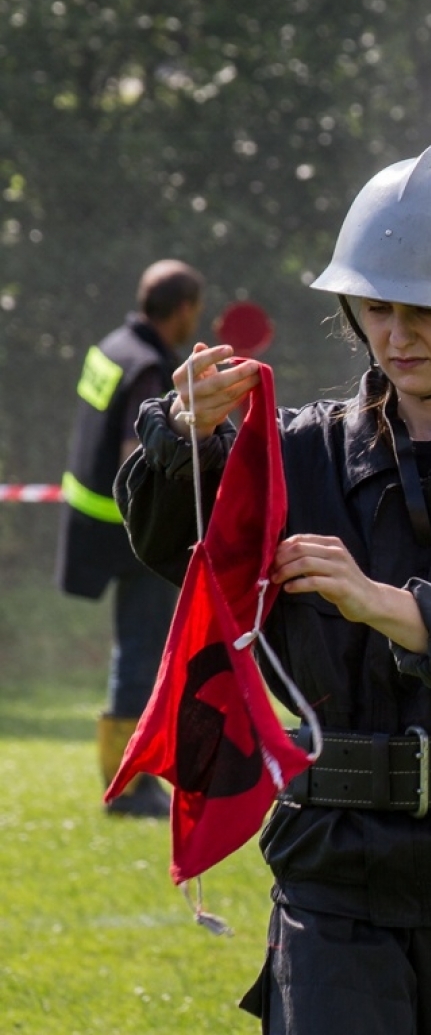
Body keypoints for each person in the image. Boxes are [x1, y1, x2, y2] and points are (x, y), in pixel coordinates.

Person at [114, 141, 431, 1034]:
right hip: (332, 876)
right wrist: (180, 438)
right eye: (378, 307)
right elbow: (179, 547)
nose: (396, 335)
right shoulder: (295, 453)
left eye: (424, 310)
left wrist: (395, 606)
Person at [58, 259, 203, 818]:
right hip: (134, 531)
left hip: (94, 522)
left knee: (133, 653)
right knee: (142, 656)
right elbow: (135, 456)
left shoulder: (112, 348)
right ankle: (131, 787)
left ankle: (124, 781)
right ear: (183, 309)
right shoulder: (148, 366)